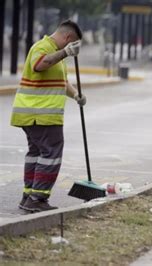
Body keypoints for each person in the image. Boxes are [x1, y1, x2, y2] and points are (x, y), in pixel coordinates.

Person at [10, 20, 85, 212]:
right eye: (72, 43)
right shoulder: (42, 47)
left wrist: (76, 94)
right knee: (51, 155)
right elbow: (40, 65)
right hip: (41, 114)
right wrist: (66, 52)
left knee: (36, 154)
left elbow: (63, 82)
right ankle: (37, 198)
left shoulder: (56, 55)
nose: (71, 47)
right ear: (68, 38)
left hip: (36, 114)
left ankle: (28, 196)